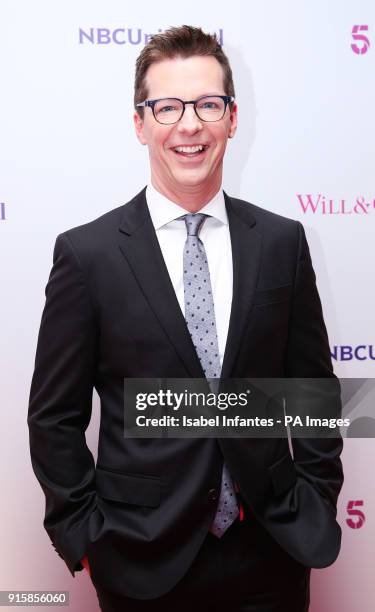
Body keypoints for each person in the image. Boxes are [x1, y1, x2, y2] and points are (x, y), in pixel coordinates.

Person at [28, 25, 343, 612]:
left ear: (232, 117)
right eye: (167, 106)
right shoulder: (87, 255)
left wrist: (316, 499)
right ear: (140, 122)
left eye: (207, 104)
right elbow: (54, 419)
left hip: (271, 551)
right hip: (139, 559)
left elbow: (315, 394)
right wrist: (85, 537)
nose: (189, 125)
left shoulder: (281, 242)